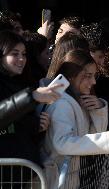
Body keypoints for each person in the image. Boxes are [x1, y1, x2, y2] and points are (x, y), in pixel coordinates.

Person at [42, 49, 109, 189]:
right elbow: (62, 143)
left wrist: (99, 109)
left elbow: (93, 134)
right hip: (61, 181)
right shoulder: (62, 104)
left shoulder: (78, 100)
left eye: (94, 75)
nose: (94, 81)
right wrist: (108, 139)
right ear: (72, 76)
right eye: (88, 76)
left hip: (73, 179)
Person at [0, 30, 60, 187]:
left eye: (24, 54)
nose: (21, 59)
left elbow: (17, 125)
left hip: (24, 172)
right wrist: (31, 97)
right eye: (15, 53)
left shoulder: (20, 82)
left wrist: (37, 125)